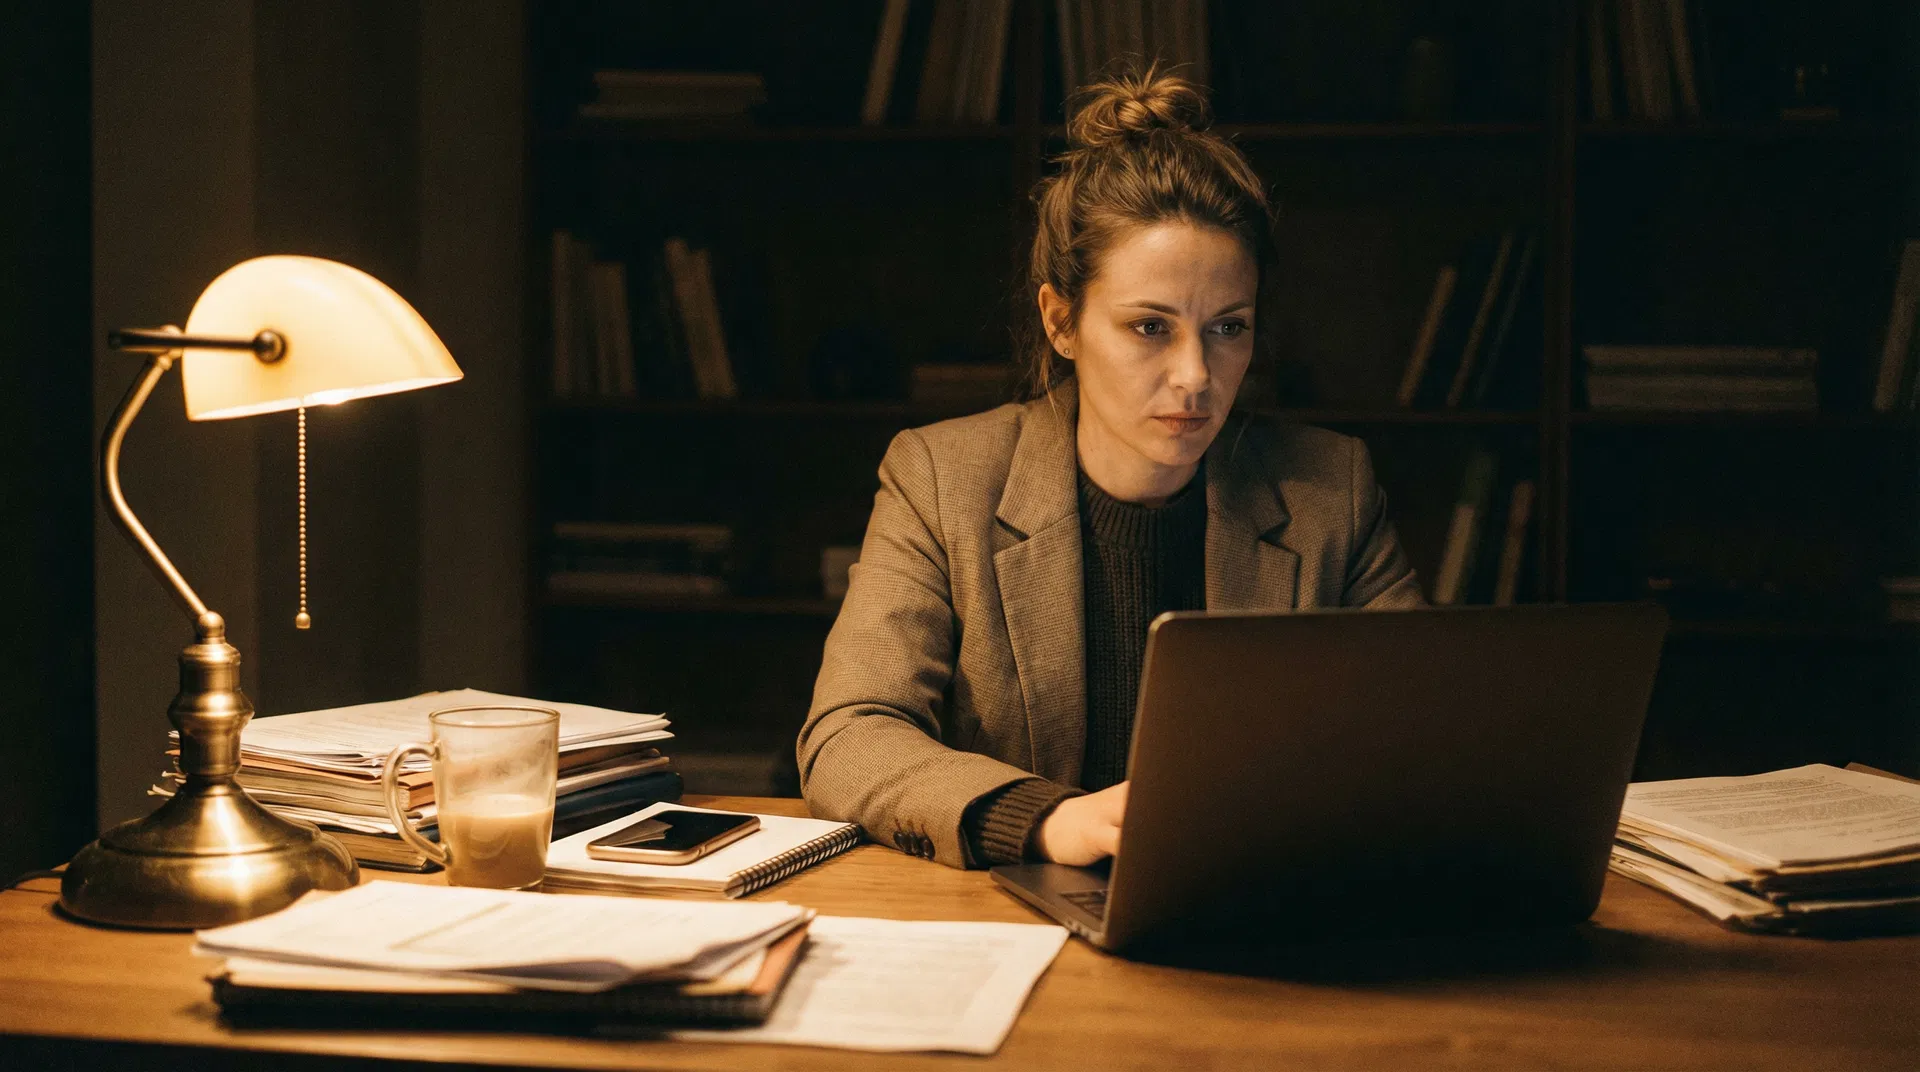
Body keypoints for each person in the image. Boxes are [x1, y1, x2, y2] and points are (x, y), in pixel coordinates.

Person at [797, 65, 1422, 870]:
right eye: (1151, 327)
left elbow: (1416, 730)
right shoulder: (942, 478)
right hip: (1021, 912)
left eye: (1228, 327)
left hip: (1255, 909)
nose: (1196, 376)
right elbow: (849, 734)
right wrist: (1049, 822)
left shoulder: (1330, 487)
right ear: (1062, 321)